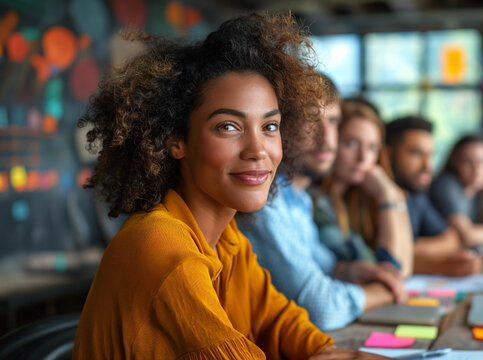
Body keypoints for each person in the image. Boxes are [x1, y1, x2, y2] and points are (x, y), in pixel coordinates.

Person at [73, 14, 387, 359]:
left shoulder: (228, 240)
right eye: (228, 127)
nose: (258, 150)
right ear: (177, 141)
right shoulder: (161, 246)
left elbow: (280, 324)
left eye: (270, 126)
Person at [236, 78, 406, 332]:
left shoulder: (298, 199)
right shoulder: (263, 202)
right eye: (310, 119)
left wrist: (349, 271)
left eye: (334, 121)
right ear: (278, 124)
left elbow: (325, 264)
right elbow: (321, 309)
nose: (327, 138)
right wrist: (383, 292)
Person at [313, 100, 414, 277]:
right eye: (351, 143)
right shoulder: (317, 202)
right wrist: (388, 197)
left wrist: (395, 195)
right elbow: (392, 270)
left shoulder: (353, 200)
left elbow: (405, 267)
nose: (363, 157)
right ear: (332, 140)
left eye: (372, 147)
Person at [386, 116, 482, 276]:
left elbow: (452, 239)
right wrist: (439, 266)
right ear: (388, 154)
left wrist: (406, 249)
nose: (427, 166)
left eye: (430, 155)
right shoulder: (376, 195)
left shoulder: (417, 196)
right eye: (416, 153)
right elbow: (381, 260)